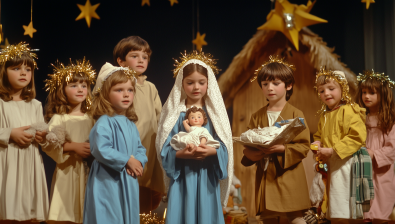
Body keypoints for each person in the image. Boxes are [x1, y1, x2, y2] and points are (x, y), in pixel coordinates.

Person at [156, 51, 233, 224]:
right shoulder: (174, 115)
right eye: (190, 82)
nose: (196, 87)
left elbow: (225, 145)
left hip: (207, 177)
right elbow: (164, 146)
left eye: (201, 82)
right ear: (181, 84)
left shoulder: (215, 116)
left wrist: (212, 152)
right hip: (183, 176)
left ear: (209, 83)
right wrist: (180, 154)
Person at [241, 55, 310, 224]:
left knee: (295, 216)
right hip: (266, 174)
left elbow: (303, 146)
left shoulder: (296, 114)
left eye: (275, 83)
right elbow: (249, 142)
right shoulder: (257, 116)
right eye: (265, 84)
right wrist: (252, 153)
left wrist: (282, 149)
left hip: (289, 173)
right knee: (268, 217)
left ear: (288, 85)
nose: (269, 88)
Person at [83, 63, 148, 224]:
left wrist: (138, 160)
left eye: (130, 90)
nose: (126, 94)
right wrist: (126, 160)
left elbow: (140, 147)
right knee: (109, 215)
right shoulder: (104, 122)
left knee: (127, 215)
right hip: (108, 180)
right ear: (105, 94)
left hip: (127, 178)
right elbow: (100, 148)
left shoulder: (130, 124)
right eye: (119, 90)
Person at [0, 42, 49, 223]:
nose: (24, 73)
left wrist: (42, 136)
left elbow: (40, 130)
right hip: (5, 161)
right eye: (17, 68)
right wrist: (10, 133)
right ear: (3, 72)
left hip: (29, 162)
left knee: (28, 211)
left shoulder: (34, 104)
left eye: (28, 69)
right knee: (6, 209)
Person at [41, 58, 96, 224]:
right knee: (66, 212)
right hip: (68, 172)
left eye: (84, 86)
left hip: (89, 171)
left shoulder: (93, 118)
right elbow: (48, 143)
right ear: (62, 90)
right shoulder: (59, 118)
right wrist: (72, 146)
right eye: (73, 85)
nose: (80, 89)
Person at [113, 36, 164, 212]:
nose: (141, 60)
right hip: (125, 151)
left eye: (145, 56)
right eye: (135, 56)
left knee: (145, 203)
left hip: (148, 151)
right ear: (121, 61)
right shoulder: (115, 86)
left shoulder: (150, 88)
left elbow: (160, 118)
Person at [312, 67, 366, 223]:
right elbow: (319, 135)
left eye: (331, 88)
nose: (326, 93)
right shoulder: (325, 116)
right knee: (335, 209)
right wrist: (317, 143)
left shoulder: (349, 111)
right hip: (332, 166)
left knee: (346, 208)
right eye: (321, 91)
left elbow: (357, 137)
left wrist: (334, 150)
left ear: (343, 89)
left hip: (347, 165)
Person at [356, 70, 395, 224]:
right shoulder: (359, 118)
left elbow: (392, 148)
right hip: (362, 168)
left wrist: (374, 153)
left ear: (383, 94)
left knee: (381, 206)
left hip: (381, 171)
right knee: (364, 206)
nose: (366, 96)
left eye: (372, 93)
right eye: (364, 92)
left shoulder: (390, 120)